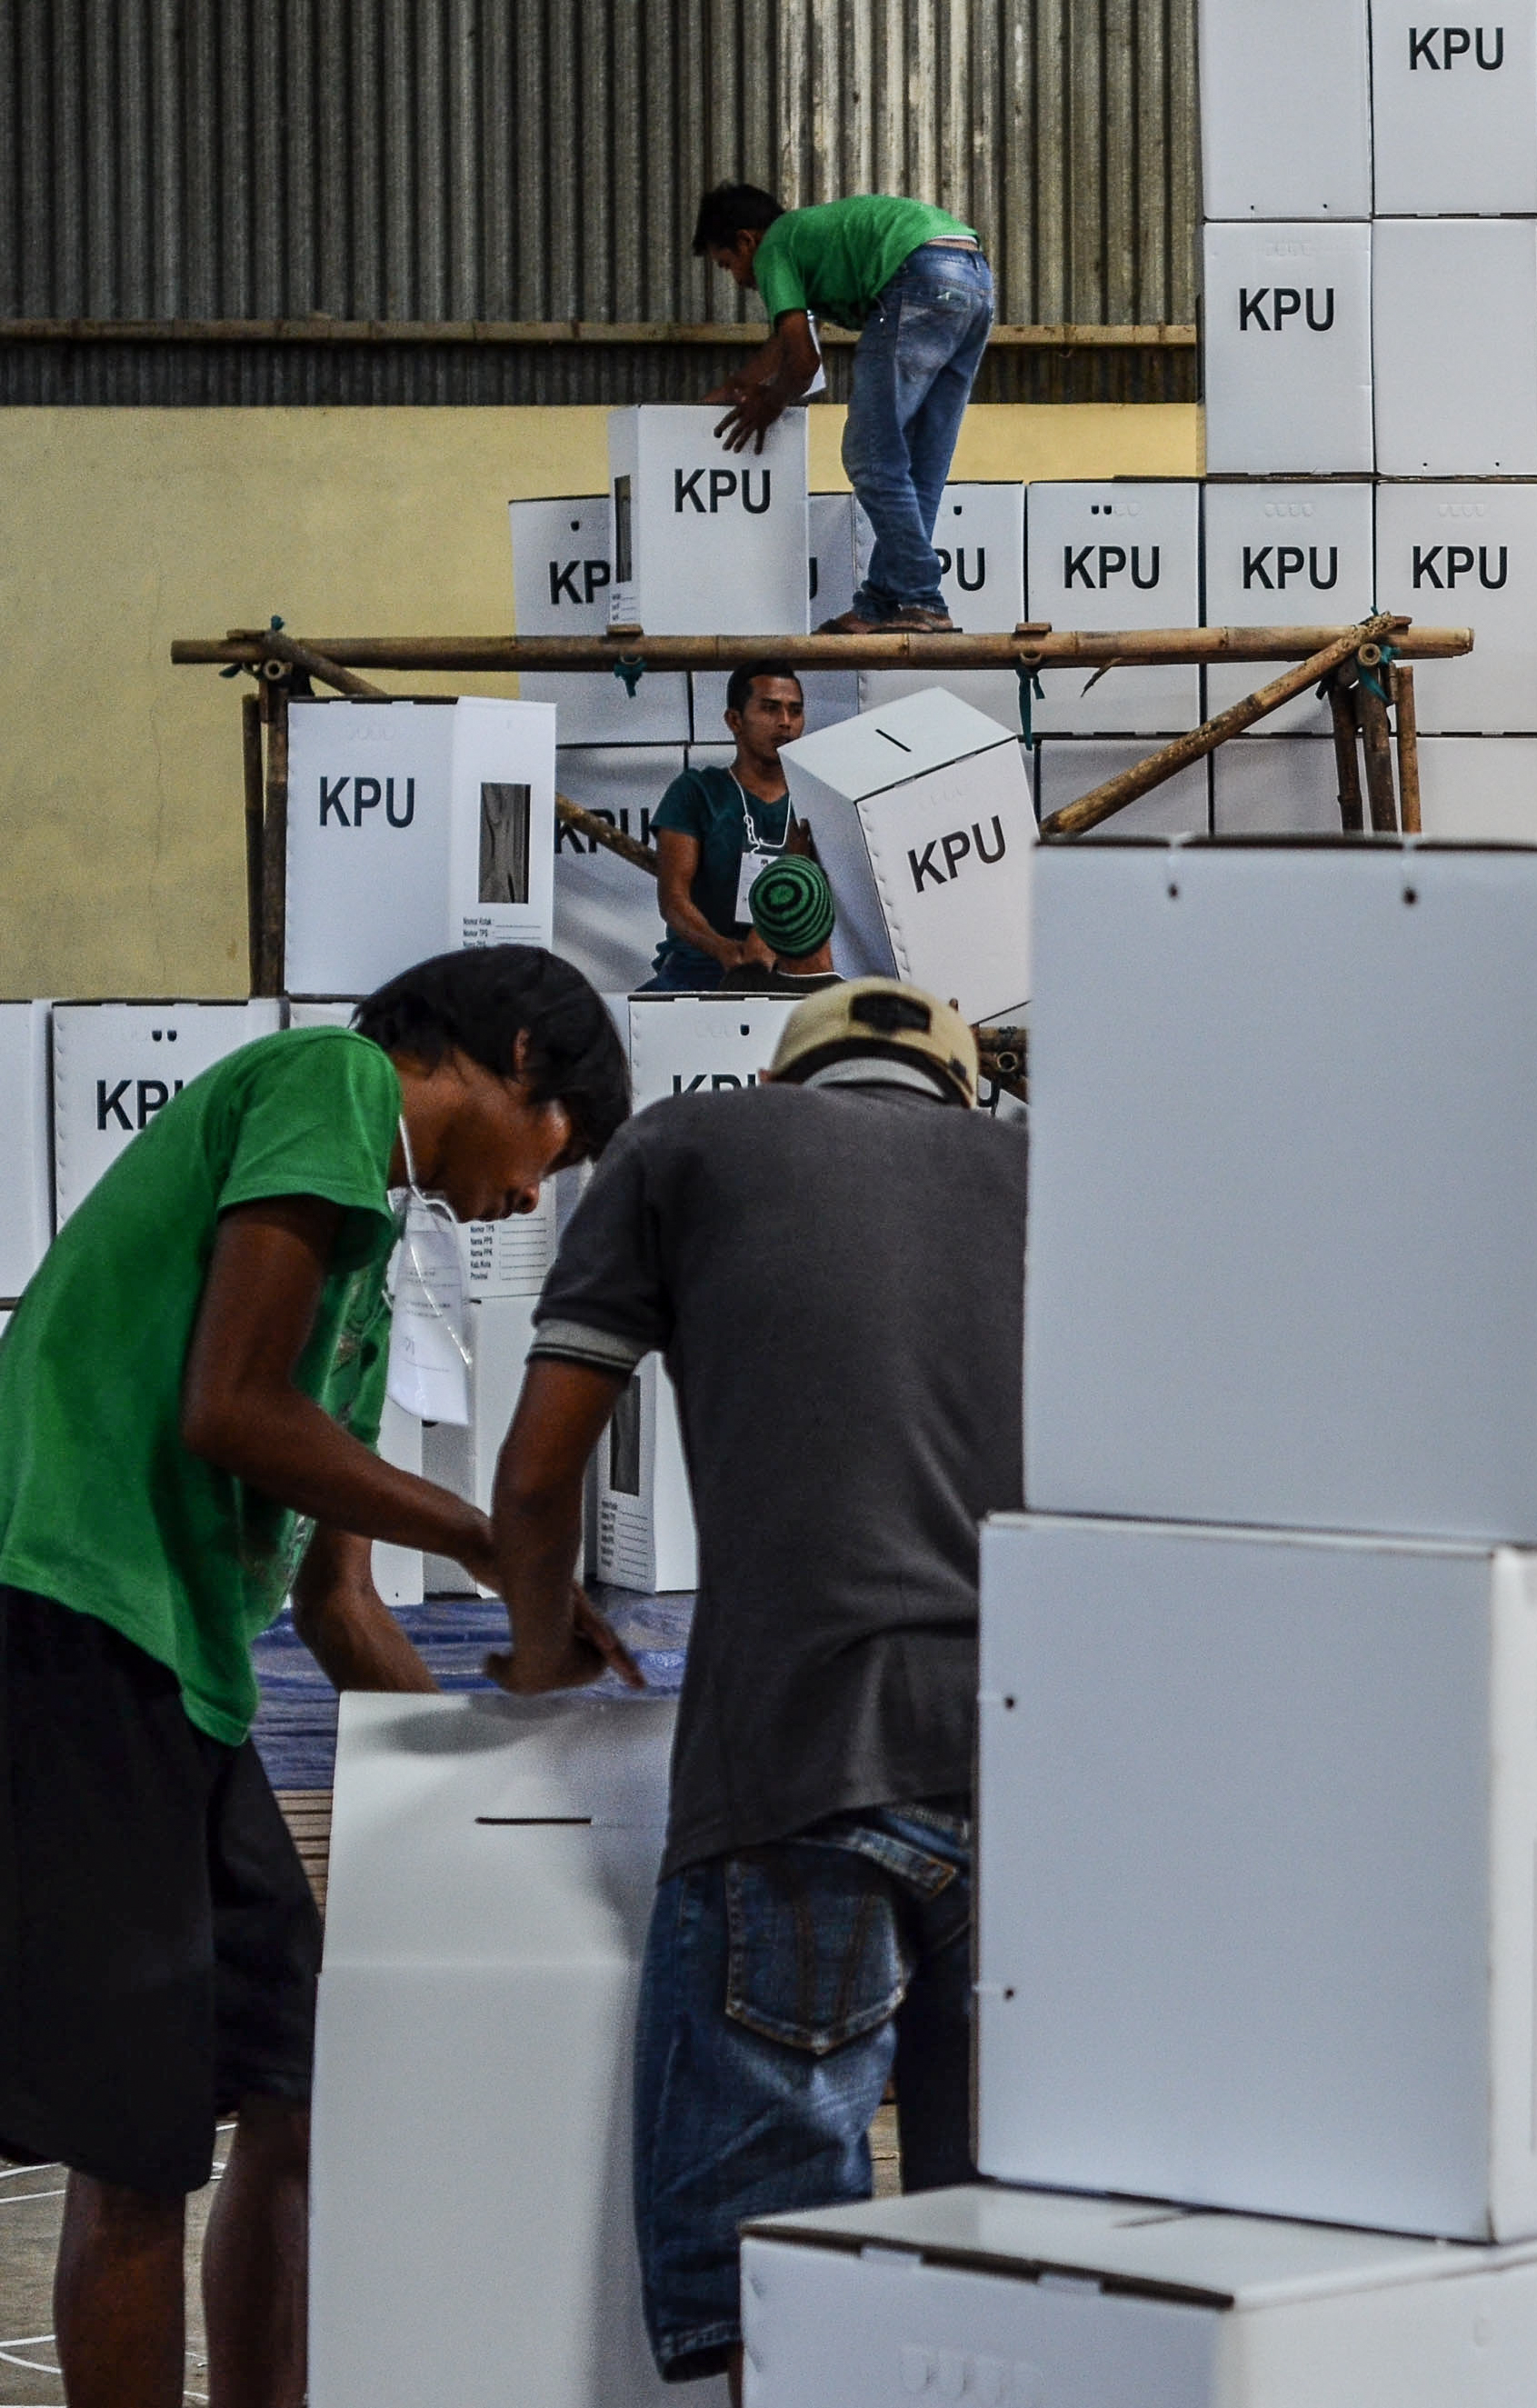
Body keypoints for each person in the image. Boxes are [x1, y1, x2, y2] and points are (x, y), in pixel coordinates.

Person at [0, 949, 630, 2408]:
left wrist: (517, 1757)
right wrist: (489, 1534)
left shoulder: (362, 1284)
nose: (535, 1196)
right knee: (140, 2142)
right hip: (77, 1635)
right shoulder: (329, 1083)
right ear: (515, 1059)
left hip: (193, 1683)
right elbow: (229, 1409)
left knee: (301, 2079)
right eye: (559, 1153)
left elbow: (339, 1604)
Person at [482, 978, 1023, 2391]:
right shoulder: (1056, 1173)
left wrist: (544, 1653)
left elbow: (537, 1482)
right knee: (1029, 2280)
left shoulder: (687, 1148)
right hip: (1055, 1786)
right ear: (969, 1097)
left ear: (787, 1085)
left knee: (787, 2296)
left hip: (803, 1767)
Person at [689, 181, 992, 634]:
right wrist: (736, 387)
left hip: (917, 274)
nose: (738, 279)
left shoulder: (776, 247)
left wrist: (770, 403)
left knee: (869, 455)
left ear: (747, 240)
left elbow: (805, 362)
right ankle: (881, 605)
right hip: (972, 277)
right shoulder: (812, 243)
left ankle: (922, 597)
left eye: (728, 264)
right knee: (919, 467)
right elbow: (791, 344)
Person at [646, 664, 835, 993]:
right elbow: (673, 900)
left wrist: (763, 950)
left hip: (793, 969)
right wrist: (725, 951)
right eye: (770, 708)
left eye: (795, 711)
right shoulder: (697, 791)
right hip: (701, 967)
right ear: (735, 720)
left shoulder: (820, 795)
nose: (786, 723)